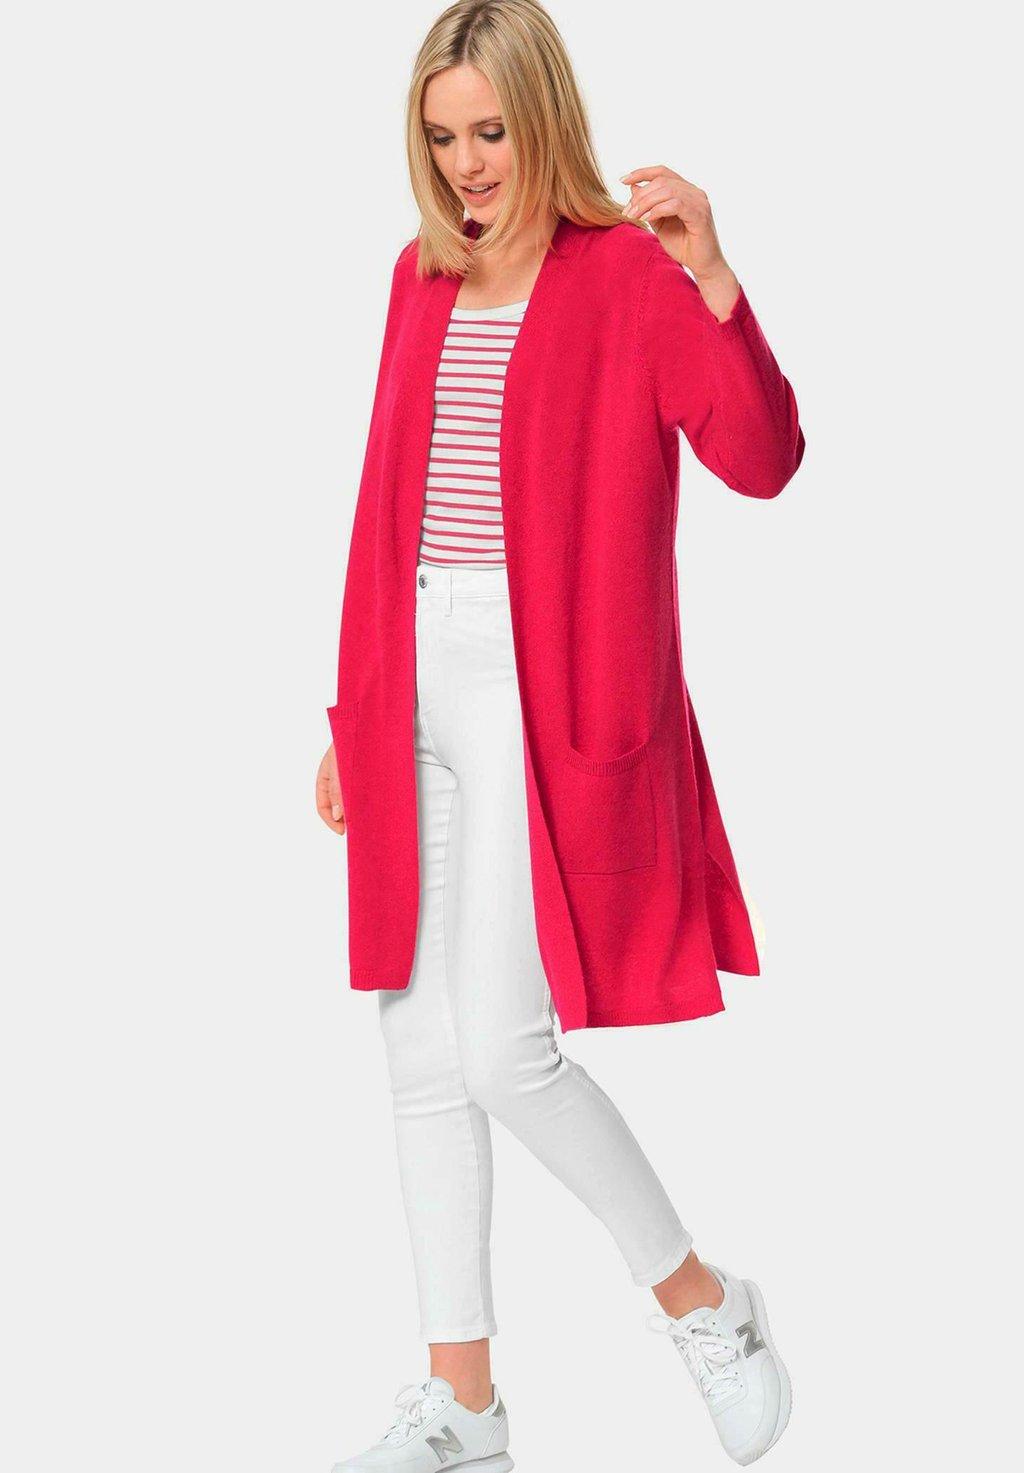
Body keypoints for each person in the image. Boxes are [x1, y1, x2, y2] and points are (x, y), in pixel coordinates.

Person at [316, 2, 805, 1467]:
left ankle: (704, 1302)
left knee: (504, 1053)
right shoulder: (420, 276)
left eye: (491, 131)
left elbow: (762, 459)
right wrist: (352, 710)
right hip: (411, 679)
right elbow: (382, 503)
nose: (467, 165)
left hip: (550, 693)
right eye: (442, 136)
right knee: (417, 1044)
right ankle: (464, 1404)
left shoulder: (628, 276)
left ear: (544, 120)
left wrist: (714, 277)